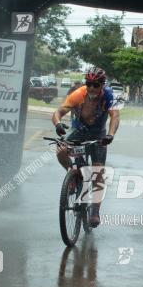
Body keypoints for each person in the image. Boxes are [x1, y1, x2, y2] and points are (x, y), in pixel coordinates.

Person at [52, 66, 121, 228]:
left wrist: (110, 135)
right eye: (89, 83)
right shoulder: (78, 94)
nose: (91, 88)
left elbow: (115, 116)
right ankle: (73, 176)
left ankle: (95, 210)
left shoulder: (110, 95)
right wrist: (58, 124)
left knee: (97, 172)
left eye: (96, 85)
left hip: (99, 136)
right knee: (61, 149)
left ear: (102, 85)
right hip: (79, 133)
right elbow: (58, 112)